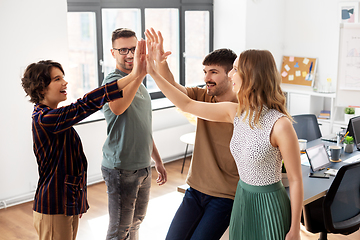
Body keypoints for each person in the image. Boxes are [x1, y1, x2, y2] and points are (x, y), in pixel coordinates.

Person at [146, 37, 304, 240]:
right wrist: (153, 72)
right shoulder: (235, 112)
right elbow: (185, 103)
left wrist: (295, 229)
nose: (230, 75)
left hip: (267, 203)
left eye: (235, 69)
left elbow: (295, 179)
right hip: (242, 200)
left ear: (252, 76)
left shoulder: (280, 124)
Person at [20, 39, 147, 240]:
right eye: (57, 79)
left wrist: (76, 202)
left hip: (66, 204)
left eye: (63, 77)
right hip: (53, 207)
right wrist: (136, 75)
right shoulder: (45, 119)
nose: (65, 82)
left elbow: (73, 165)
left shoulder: (54, 116)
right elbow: (85, 104)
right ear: (41, 88)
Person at [145, 29, 239, 240]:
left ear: (231, 73)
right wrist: (161, 63)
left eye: (213, 72)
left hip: (225, 196)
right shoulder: (203, 96)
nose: (207, 78)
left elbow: (184, 103)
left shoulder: (239, 108)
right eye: (205, 71)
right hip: (195, 189)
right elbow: (175, 89)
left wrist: (153, 72)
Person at [101, 28, 167, 240]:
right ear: (113, 53)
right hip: (121, 169)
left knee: (136, 223)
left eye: (134, 49)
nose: (129, 54)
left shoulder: (141, 83)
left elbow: (143, 126)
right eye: (123, 50)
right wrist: (140, 73)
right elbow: (118, 108)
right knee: (119, 230)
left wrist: (157, 160)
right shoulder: (112, 81)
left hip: (143, 165)